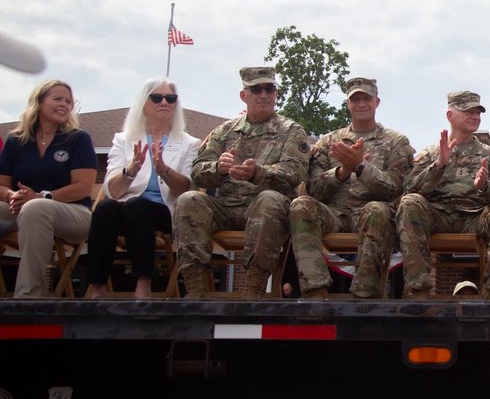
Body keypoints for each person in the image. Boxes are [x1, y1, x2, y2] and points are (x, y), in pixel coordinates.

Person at [173, 67, 310, 299]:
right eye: (257, 89)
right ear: (244, 95)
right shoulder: (225, 131)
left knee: (268, 199)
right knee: (189, 200)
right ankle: (195, 289)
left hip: (269, 209)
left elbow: (296, 171)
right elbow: (197, 171)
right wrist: (218, 168)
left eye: (270, 89)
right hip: (226, 207)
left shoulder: (291, 131)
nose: (264, 94)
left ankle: (253, 289)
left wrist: (258, 172)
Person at [290, 76, 414, 299]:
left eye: (366, 98)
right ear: (348, 104)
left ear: (377, 102)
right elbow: (314, 190)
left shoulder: (396, 142)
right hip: (334, 215)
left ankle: (364, 293)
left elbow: (396, 188)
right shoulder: (329, 141)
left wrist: (361, 167)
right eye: (355, 99)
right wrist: (342, 172)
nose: (361, 104)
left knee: (376, 209)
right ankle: (315, 289)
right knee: (301, 205)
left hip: (372, 216)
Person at [395, 91, 490, 299]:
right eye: (468, 111)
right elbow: (409, 188)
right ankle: (418, 291)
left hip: (476, 216)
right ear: (450, 115)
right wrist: (438, 166)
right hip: (438, 215)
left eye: (478, 112)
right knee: (409, 203)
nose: (475, 116)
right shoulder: (432, 152)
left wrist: (484, 186)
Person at [85, 78, 200, 299]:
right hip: (124, 206)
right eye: (157, 97)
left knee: (137, 207)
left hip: (164, 210)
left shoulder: (189, 143)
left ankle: (144, 281)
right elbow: (113, 190)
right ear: (143, 103)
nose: (164, 102)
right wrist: (130, 171)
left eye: (170, 98)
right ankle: (97, 285)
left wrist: (164, 170)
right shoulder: (123, 140)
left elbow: (187, 188)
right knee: (105, 208)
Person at [0, 79, 97, 298]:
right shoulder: (16, 141)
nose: (64, 104)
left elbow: (83, 187)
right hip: (21, 208)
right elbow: (1, 184)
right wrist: (12, 194)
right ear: (39, 102)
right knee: (27, 208)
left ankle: (28, 298)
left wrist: (42, 196)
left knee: (36, 208)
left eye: (69, 101)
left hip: (74, 213)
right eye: (57, 99)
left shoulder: (78, 139)